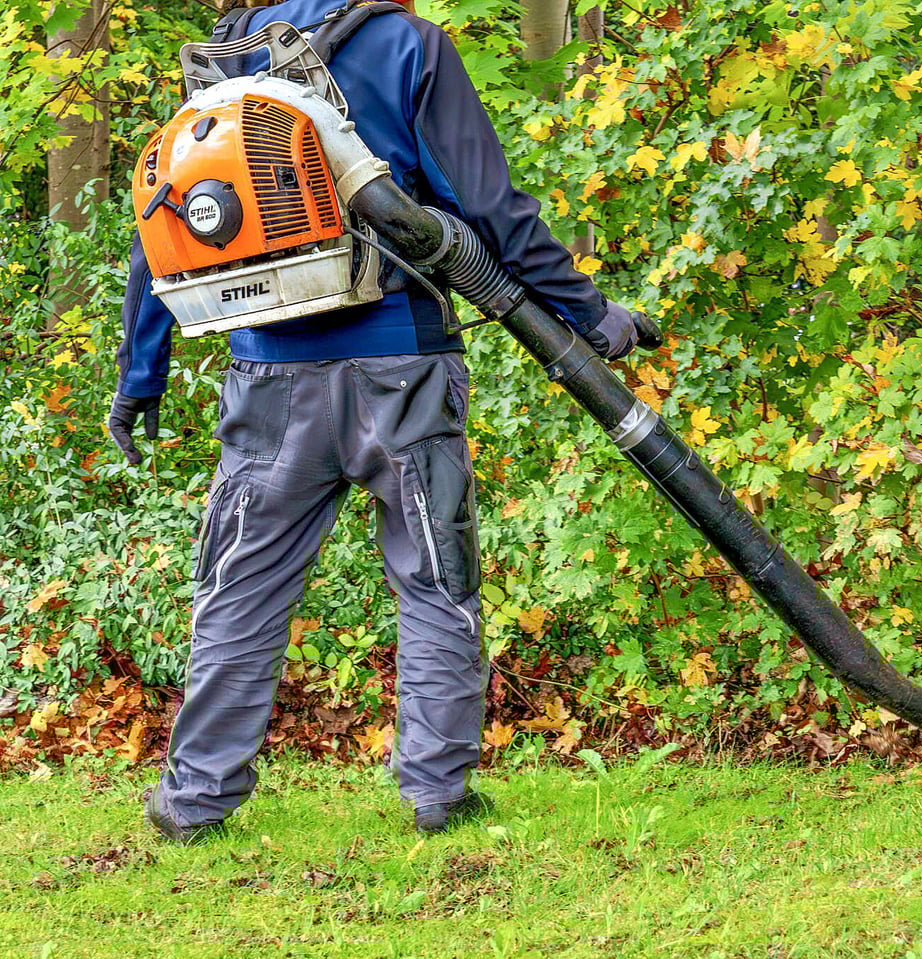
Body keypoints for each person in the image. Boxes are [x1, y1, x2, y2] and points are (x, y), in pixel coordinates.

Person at [109, 0, 637, 840]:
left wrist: (140, 378)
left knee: (241, 587)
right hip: (405, 365)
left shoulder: (223, 59)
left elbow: (164, 226)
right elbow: (491, 207)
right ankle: (437, 794)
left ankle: (194, 801)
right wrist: (589, 313)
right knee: (435, 577)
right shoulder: (406, 45)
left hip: (268, 375)